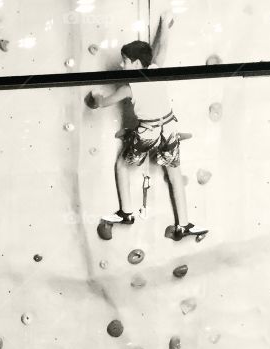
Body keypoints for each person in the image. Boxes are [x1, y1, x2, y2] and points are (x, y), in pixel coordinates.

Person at [86, 13, 207, 242]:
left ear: (135, 63)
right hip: (169, 127)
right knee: (174, 175)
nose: (121, 65)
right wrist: (165, 23)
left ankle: (126, 213)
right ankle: (183, 224)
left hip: (148, 133)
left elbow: (102, 104)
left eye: (125, 61)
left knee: (122, 165)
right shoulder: (156, 69)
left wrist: (95, 97)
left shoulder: (129, 87)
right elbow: (161, 45)